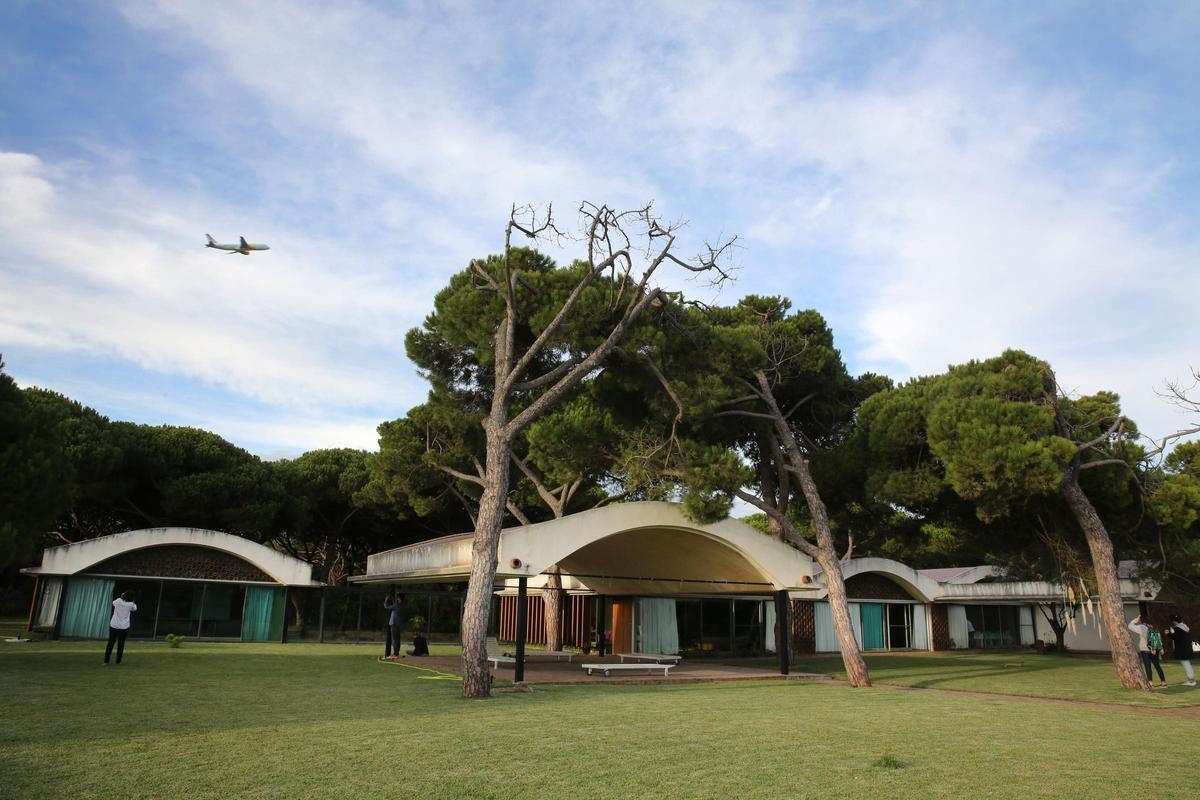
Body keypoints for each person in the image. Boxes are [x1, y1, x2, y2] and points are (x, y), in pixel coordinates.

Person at [1128, 613, 1167, 688]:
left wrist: (1136, 619)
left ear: (1142, 620)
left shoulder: (1142, 627)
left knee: (1148, 666)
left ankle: (1150, 683)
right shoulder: (1153, 627)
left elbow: (1130, 626)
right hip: (1154, 649)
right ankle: (1163, 682)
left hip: (1145, 649)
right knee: (1157, 665)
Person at [104, 591, 137, 665]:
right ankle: (118, 661)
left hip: (114, 625)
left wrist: (122, 596)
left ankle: (106, 660)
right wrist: (132, 601)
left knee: (110, 643)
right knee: (121, 644)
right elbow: (134, 609)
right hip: (124, 627)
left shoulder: (118, 601)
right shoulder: (131, 604)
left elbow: (113, 603)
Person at [1166, 614, 1196, 687]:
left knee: (1186, 665)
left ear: (1174, 621)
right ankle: (1191, 680)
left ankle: (1191, 681)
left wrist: (1168, 634)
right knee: (1187, 664)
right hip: (1187, 649)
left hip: (1182, 650)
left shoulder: (1178, 628)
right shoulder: (1185, 627)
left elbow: (1176, 637)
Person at [383, 592, 402, 660]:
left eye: (397, 597)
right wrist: (394, 600)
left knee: (394, 639)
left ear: (399, 598)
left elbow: (386, 607)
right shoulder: (401, 605)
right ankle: (396, 653)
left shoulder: (396, 605)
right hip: (398, 623)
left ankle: (395, 654)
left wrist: (386, 600)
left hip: (394, 624)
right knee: (398, 639)